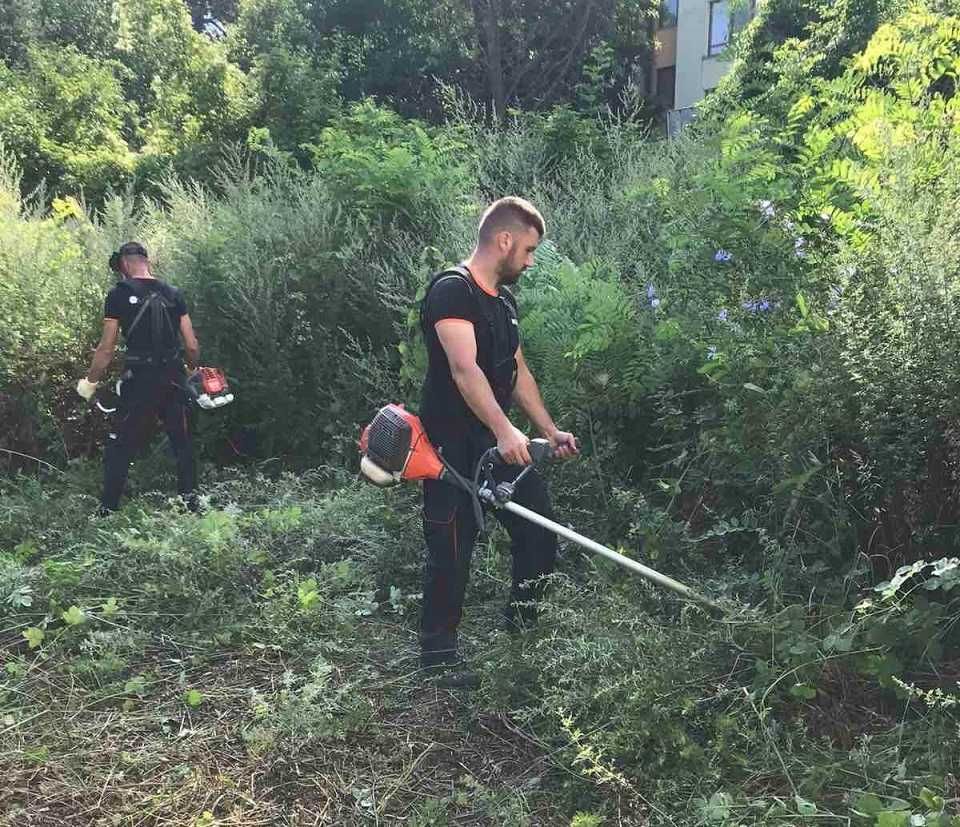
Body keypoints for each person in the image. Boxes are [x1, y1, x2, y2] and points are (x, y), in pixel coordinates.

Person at [418, 197, 578, 671]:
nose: (529, 262)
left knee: (539, 533)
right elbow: (465, 370)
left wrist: (547, 429)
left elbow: (517, 372)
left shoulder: (503, 302)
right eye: (527, 250)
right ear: (503, 240)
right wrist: (505, 429)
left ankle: (521, 632)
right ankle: (439, 658)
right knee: (451, 551)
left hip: (499, 443)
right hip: (451, 447)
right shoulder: (453, 291)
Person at [75, 242, 201, 514]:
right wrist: (191, 370)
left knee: (120, 444)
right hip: (174, 377)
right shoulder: (174, 293)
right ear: (147, 261)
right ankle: (192, 505)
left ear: (123, 265)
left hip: (140, 379)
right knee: (182, 442)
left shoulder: (118, 295)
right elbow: (191, 345)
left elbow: (106, 349)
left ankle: (107, 511)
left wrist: (90, 382)